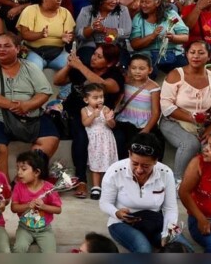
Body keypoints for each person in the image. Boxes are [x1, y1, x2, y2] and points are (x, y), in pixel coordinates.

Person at [0, 33, 57, 178]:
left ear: (17, 49)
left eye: (7, 46)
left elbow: (44, 92)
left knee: (51, 138)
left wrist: (28, 105)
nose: (1, 50)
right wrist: (13, 105)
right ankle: (4, 186)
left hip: (29, 116)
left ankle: (21, 181)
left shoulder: (30, 67)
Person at [100, 133, 192, 253]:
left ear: (155, 161)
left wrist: (167, 233)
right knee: (144, 250)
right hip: (121, 223)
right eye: (134, 163)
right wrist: (117, 213)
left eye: (145, 166)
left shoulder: (165, 173)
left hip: (154, 222)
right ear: (129, 154)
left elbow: (170, 208)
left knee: (183, 249)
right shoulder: (115, 171)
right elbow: (105, 203)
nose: (139, 170)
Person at [54, 45, 124, 199]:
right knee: (81, 137)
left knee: (119, 138)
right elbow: (57, 81)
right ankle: (81, 180)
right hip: (76, 113)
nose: (93, 57)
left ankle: (114, 181)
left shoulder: (115, 74)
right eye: (94, 54)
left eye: (99, 57)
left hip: (102, 117)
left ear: (110, 63)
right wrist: (69, 65)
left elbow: (105, 86)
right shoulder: (81, 67)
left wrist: (80, 66)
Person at [159, 41, 211, 180]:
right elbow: (166, 106)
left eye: (201, 53)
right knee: (190, 144)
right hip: (173, 122)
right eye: (192, 52)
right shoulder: (176, 74)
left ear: (209, 56)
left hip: (204, 124)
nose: (196, 56)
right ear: (186, 55)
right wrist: (191, 118)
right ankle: (177, 181)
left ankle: (210, 182)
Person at [130, 0, 190, 75]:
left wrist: (173, 37)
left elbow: (185, 37)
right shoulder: (138, 18)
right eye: (142, 1)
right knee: (148, 70)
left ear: (157, 2)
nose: (143, 5)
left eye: (147, 2)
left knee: (185, 73)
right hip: (147, 55)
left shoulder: (171, 15)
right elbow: (134, 45)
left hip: (172, 53)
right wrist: (152, 36)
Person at [11, 150, 62, 253]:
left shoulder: (49, 188)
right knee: (18, 248)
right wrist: (28, 205)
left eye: (23, 169)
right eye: (18, 168)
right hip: (24, 228)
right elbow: (14, 208)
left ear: (36, 172)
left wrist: (44, 207)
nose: (19, 172)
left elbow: (58, 209)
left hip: (44, 230)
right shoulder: (18, 187)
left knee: (50, 253)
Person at [113, 55, 163, 158]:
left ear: (150, 70)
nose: (137, 71)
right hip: (124, 120)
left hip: (143, 124)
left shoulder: (154, 87)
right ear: (129, 69)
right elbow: (118, 103)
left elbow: (156, 112)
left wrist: (146, 130)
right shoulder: (125, 82)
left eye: (142, 68)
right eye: (133, 68)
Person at [74, 0, 132, 65]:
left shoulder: (123, 10)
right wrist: (92, 27)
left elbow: (126, 32)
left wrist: (104, 29)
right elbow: (79, 34)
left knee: (121, 64)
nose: (114, 2)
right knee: (85, 62)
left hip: (113, 46)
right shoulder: (86, 10)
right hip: (90, 46)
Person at [80, 83, 119, 201]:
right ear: (86, 100)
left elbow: (112, 126)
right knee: (95, 163)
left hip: (107, 140)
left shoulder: (106, 109)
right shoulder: (84, 110)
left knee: (108, 162)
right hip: (94, 142)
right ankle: (96, 186)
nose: (99, 100)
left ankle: (108, 186)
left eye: (101, 97)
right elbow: (85, 123)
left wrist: (109, 119)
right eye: (95, 98)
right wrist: (93, 116)